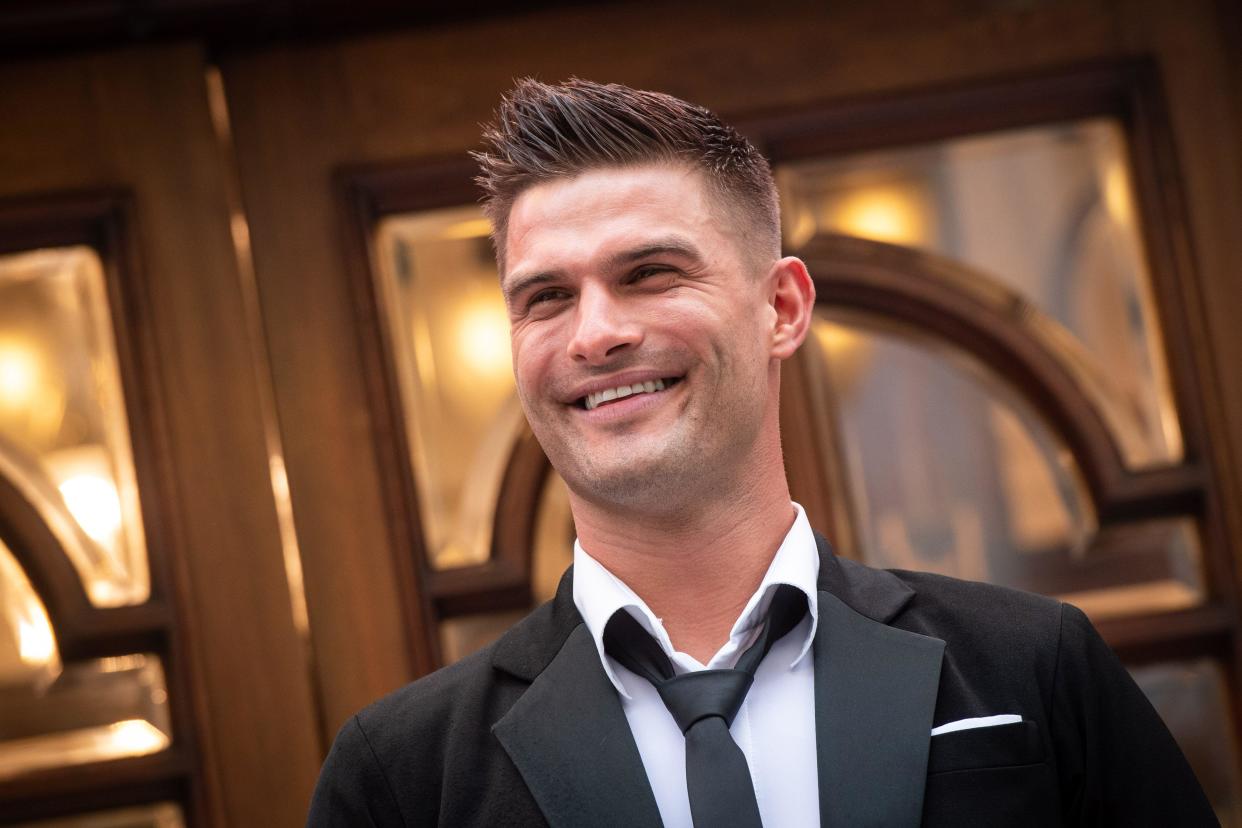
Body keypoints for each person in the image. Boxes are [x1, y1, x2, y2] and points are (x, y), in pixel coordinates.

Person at [306, 78, 1216, 827]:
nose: (595, 334)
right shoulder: (400, 776)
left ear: (782, 308)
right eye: (545, 297)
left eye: (648, 274)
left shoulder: (1032, 666)